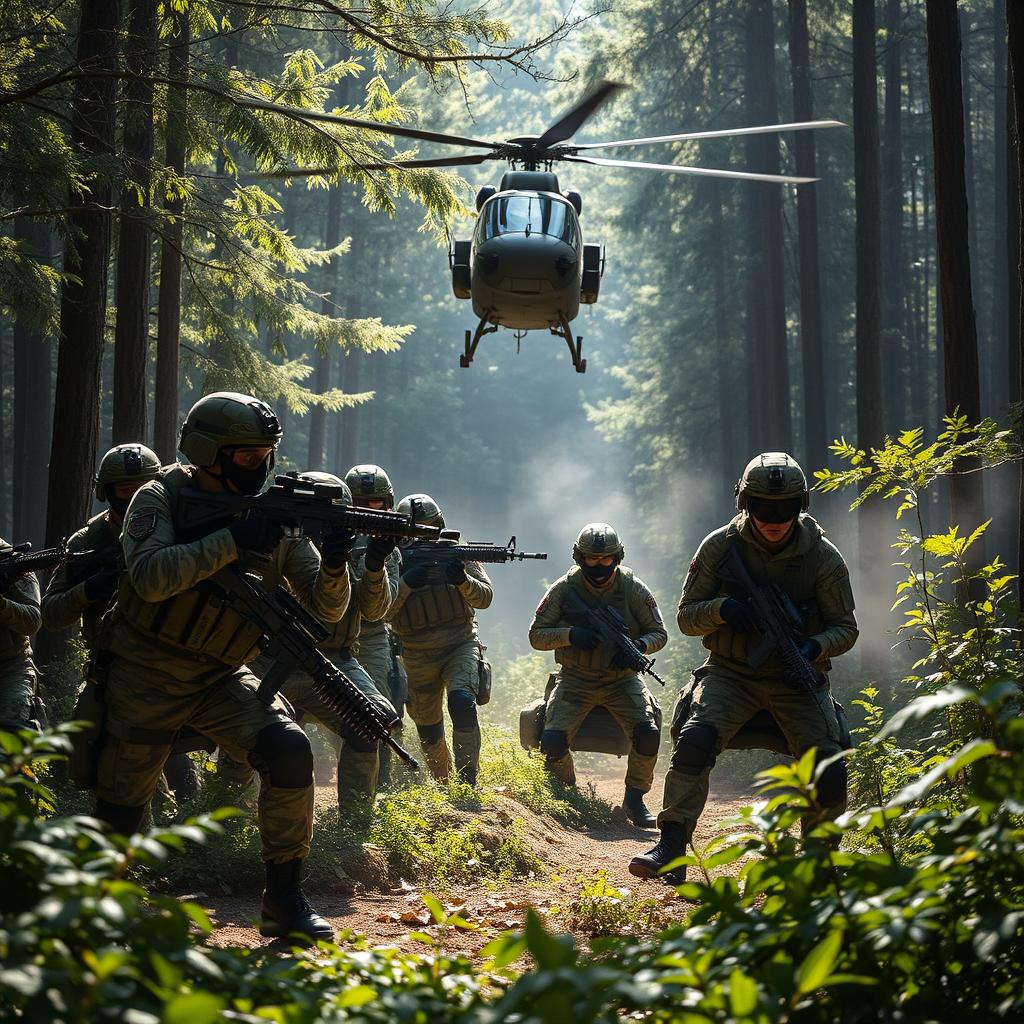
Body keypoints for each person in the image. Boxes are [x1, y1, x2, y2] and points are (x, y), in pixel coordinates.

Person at [93, 392, 354, 941]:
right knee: (121, 808)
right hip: (147, 673)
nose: (260, 466)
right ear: (208, 452)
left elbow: (326, 609)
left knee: (288, 750)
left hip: (220, 674)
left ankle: (283, 897)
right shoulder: (159, 496)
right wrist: (233, 539)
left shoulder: (273, 517)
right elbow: (151, 577)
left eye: (266, 454)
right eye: (246, 456)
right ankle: (95, 917)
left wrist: (334, 561)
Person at [629, 452, 858, 883]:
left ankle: (820, 861)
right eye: (763, 508)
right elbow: (685, 617)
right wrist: (722, 609)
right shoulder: (720, 546)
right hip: (731, 672)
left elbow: (845, 629)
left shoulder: (823, 557)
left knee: (829, 763)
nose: (774, 519)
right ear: (744, 504)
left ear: (802, 505)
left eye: (785, 508)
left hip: (796, 679)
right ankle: (672, 847)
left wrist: (812, 646)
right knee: (695, 740)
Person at [41, 444, 199, 798]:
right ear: (107, 492)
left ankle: (196, 838)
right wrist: (90, 589)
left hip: (174, 668)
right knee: (102, 768)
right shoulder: (89, 541)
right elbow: (50, 614)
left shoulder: (179, 528)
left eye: (144, 487)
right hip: (115, 673)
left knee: (182, 767)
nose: (134, 499)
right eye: (125, 490)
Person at [528, 523, 667, 827]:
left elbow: (659, 633)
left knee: (647, 735)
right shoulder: (564, 589)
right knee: (551, 740)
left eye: (606, 559)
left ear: (617, 557)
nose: (600, 565)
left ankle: (634, 800)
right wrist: (571, 635)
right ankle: (568, 796)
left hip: (623, 680)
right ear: (580, 557)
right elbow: (536, 635)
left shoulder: (632, 588)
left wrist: (639, 645)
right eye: (592, 559)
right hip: (576, 679)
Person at [277, 471, 399, 806]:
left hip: (338, 658)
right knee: (252, 739)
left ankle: (355, 825)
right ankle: (230, 825)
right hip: (277, 659)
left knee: (371, 722)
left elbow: (374, 612)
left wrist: (374, 565)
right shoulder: (274, 538)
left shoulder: (362, 546)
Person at [385, 493, 491, 786]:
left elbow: (485, 597)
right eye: (415, 533)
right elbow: (379, 612)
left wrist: (462, 581)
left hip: (460, 643)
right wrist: (405, 584)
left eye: (429, 530)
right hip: (415, 652)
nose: (423, 539)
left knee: (462, 703)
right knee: (428, 729)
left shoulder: (454, 551)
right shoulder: (392, 559)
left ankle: (468, 782)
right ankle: (442, 785)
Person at [343, 464, 407, 786]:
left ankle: (379, 787)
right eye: (362, 503)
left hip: (369, 636)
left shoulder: (388, 552)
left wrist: (374, 563)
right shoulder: (328, 534)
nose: (371, 511)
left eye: (377, 503)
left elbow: (376, 610)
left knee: (377, 712)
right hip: (324, 634)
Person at [0, 541, 43, 731]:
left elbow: (32, 621)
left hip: (11, 666)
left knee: (12, 728)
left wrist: (2, 605)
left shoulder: (12, 564)